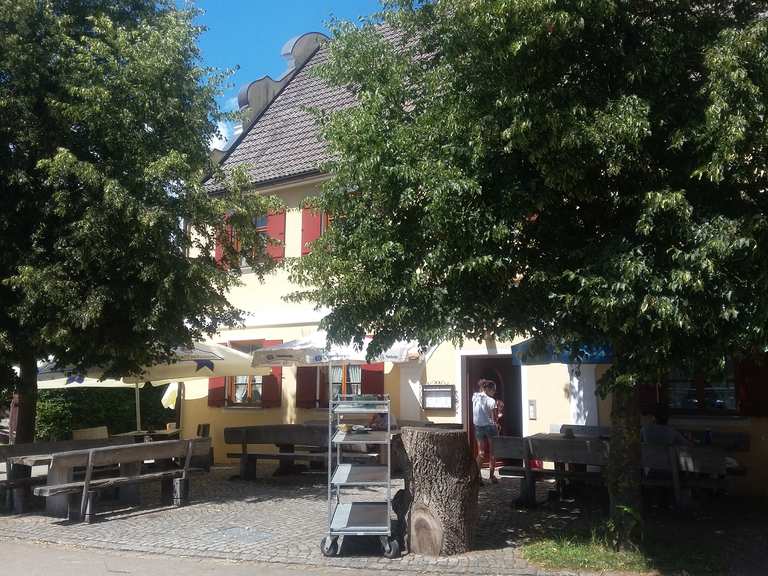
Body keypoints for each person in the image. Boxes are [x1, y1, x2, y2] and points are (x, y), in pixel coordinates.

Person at [472, 378, 499, 484]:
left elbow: (480, 394)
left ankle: (477, 477)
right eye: (494, 390)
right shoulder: (491, 401)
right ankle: (492, 477)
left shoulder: (475, 396)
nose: (494, 392)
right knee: (493, 452)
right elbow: (494, 418)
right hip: (490, 427)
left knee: (481, 453)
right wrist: (497, 420)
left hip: (478, 427)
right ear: (488, 389)